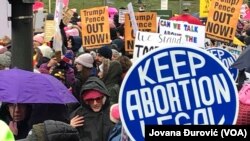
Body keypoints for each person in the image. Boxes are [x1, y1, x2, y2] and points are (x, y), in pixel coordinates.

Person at [70, 76, 114, 141]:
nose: (95, 103)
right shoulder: (78, 114)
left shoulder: (113, 110)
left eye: (98, 99)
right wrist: (70, 128)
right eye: (90, 100)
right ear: (86, 101)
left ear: (104, 98)